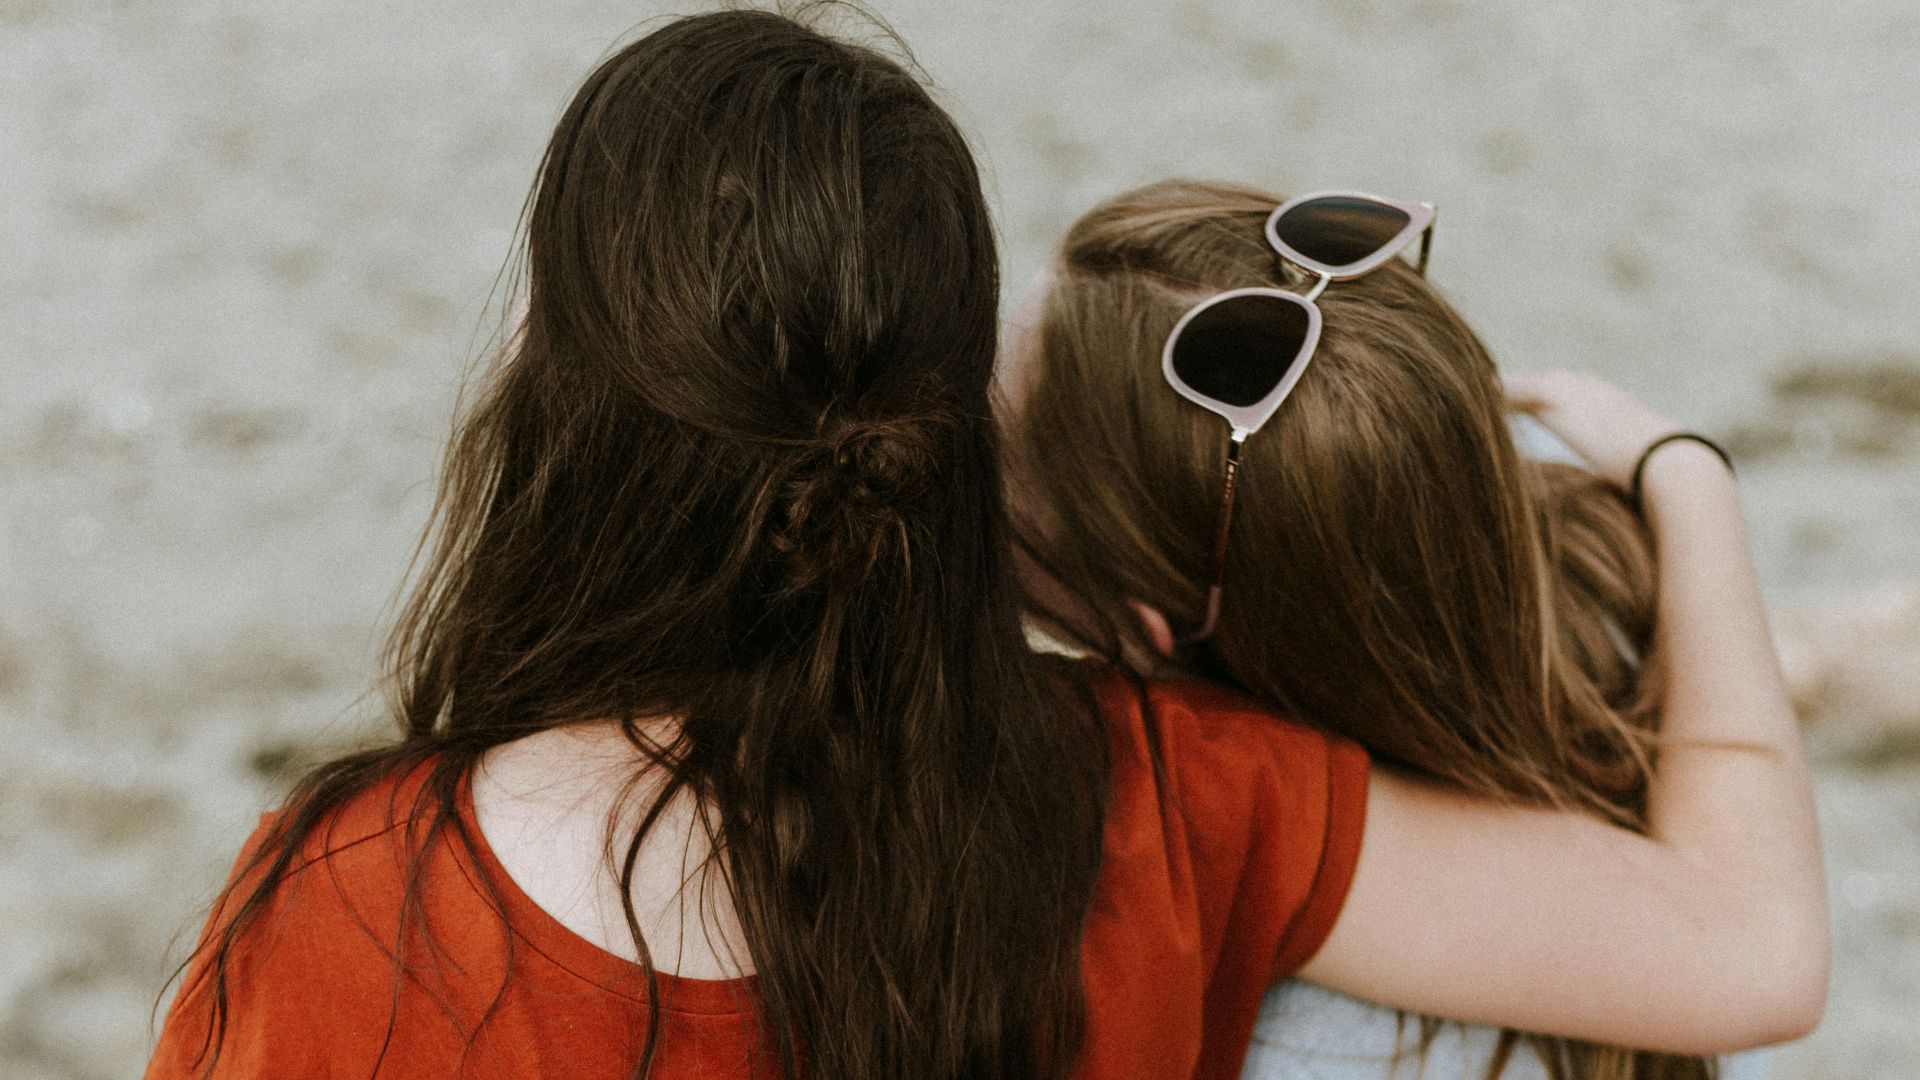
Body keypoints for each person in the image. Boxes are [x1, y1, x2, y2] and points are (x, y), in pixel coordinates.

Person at [144, 14, 1824, 1080]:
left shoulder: (354, 915)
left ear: (547, 387)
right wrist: (1685, 480)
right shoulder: (1174, 804)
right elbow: (1749, 951)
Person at [998, 178, 1828, 1079]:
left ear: (1145, 626)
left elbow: (1766, 957)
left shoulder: (1318, 1030)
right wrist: (1689, 476)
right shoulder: (1586, 514)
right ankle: (1819, 654)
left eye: (987, 429)